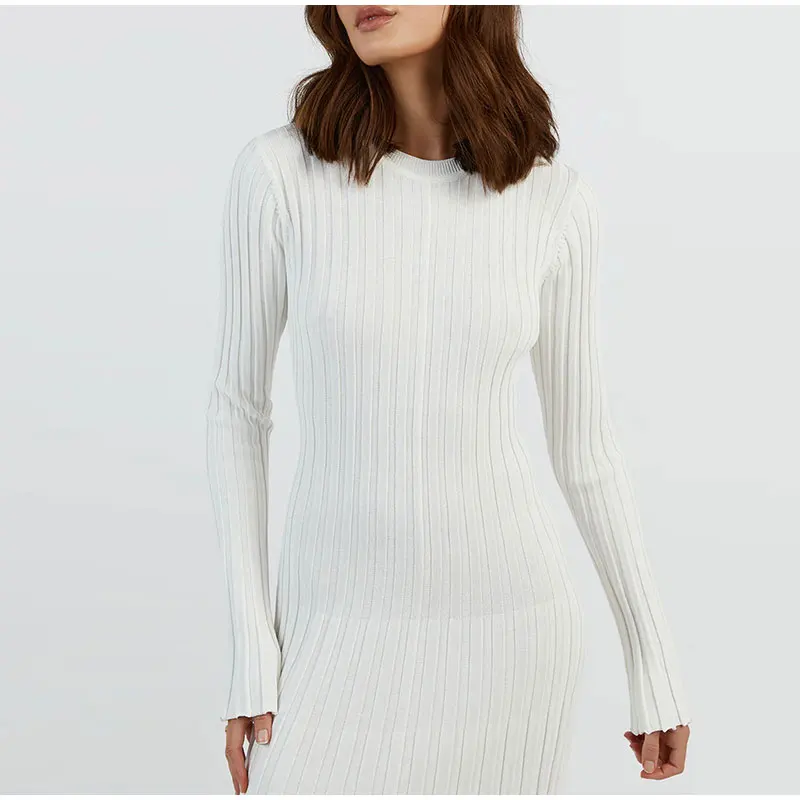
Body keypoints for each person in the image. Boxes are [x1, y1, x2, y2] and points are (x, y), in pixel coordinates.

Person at [205, 5, 692, 794]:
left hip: (512, 636)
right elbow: (238, 411)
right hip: (331, 628)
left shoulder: (554, 202)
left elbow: (587, 451)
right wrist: (251, 651)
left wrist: (653, 660)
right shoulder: (279, 175)